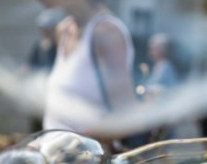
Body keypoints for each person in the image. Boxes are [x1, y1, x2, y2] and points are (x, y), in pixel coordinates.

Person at [41, 0, 136, 142]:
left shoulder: (105, 32)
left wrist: (72, 147)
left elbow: (126, 116)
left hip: (89, 160)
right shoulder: (64, 30)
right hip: (59, 158)